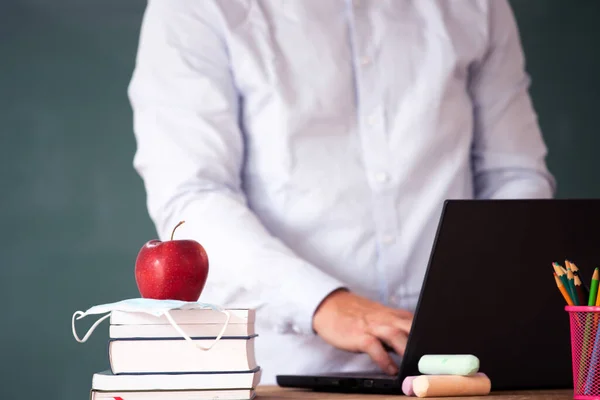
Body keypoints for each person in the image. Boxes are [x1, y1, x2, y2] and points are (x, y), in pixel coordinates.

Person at [128, 0, 555, 384]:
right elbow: (194, 192)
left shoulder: (478, 6)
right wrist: (322, 303)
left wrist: (484, 301)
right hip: (282, 373)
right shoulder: (194, 9)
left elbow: (514, 174)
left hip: (460, 371)